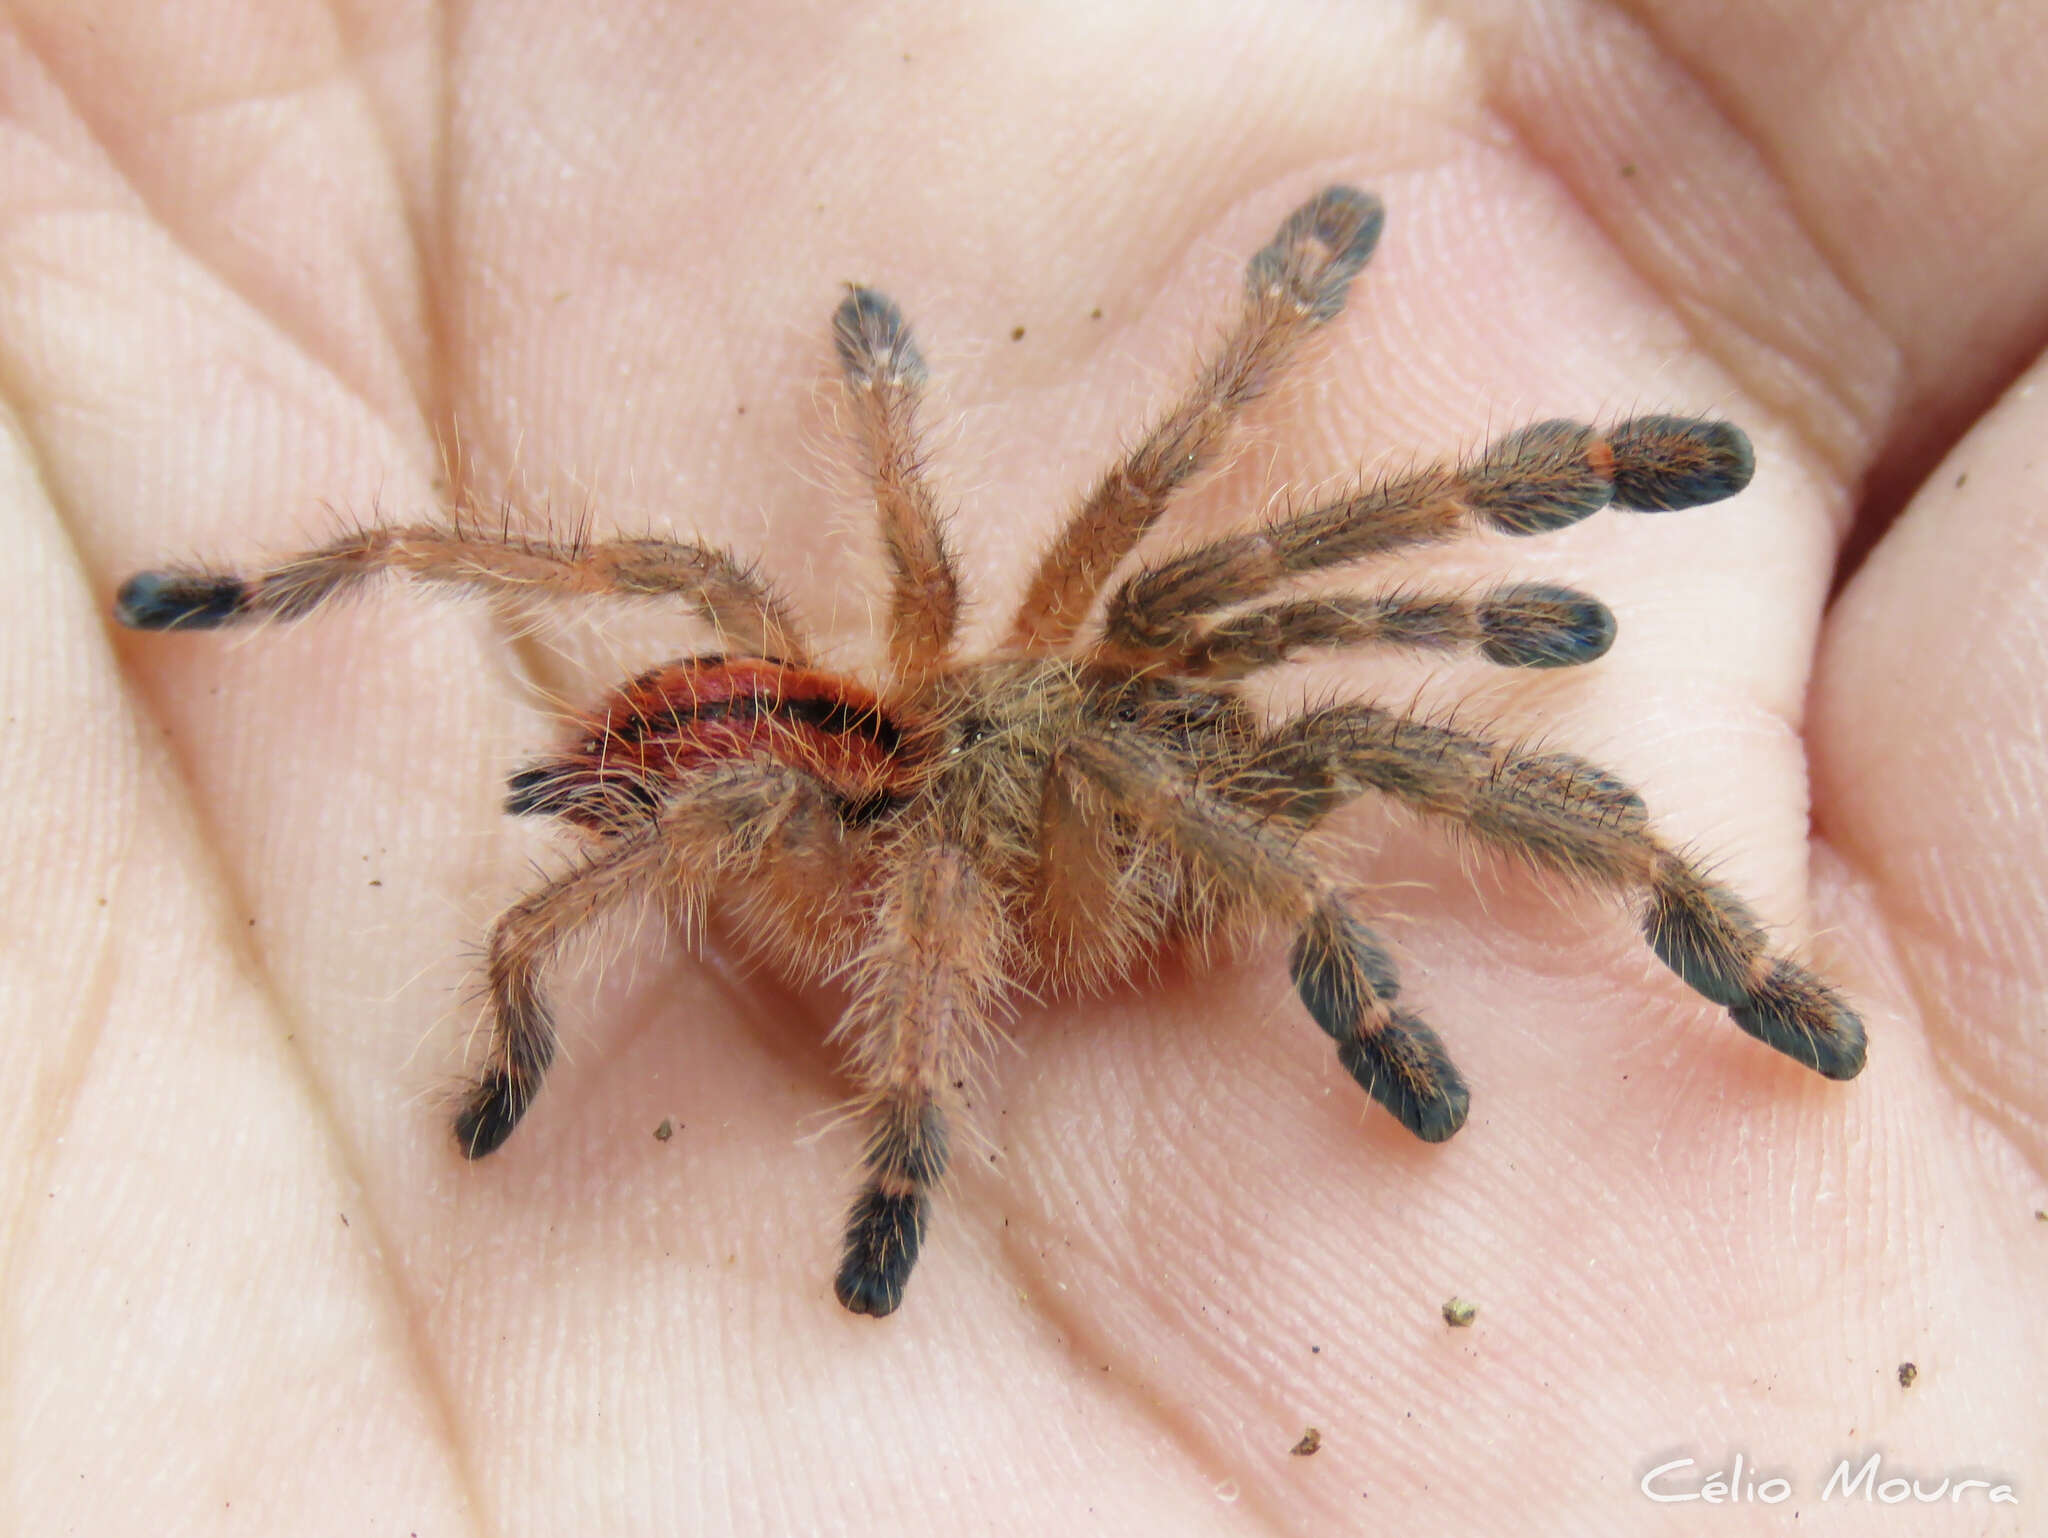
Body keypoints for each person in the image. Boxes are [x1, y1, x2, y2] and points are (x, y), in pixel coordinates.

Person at [13, 3, 2043, 1529]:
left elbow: (1220, 529)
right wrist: (904, 1113)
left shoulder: (1171, 675)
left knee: (1215, 557)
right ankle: (312, 594)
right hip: (825, 786)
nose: (1202, 769)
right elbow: (1031, 762)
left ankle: (1719, 950)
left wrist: (1459, 576)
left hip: (904, 746)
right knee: (740, 600)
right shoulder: (871, 788)